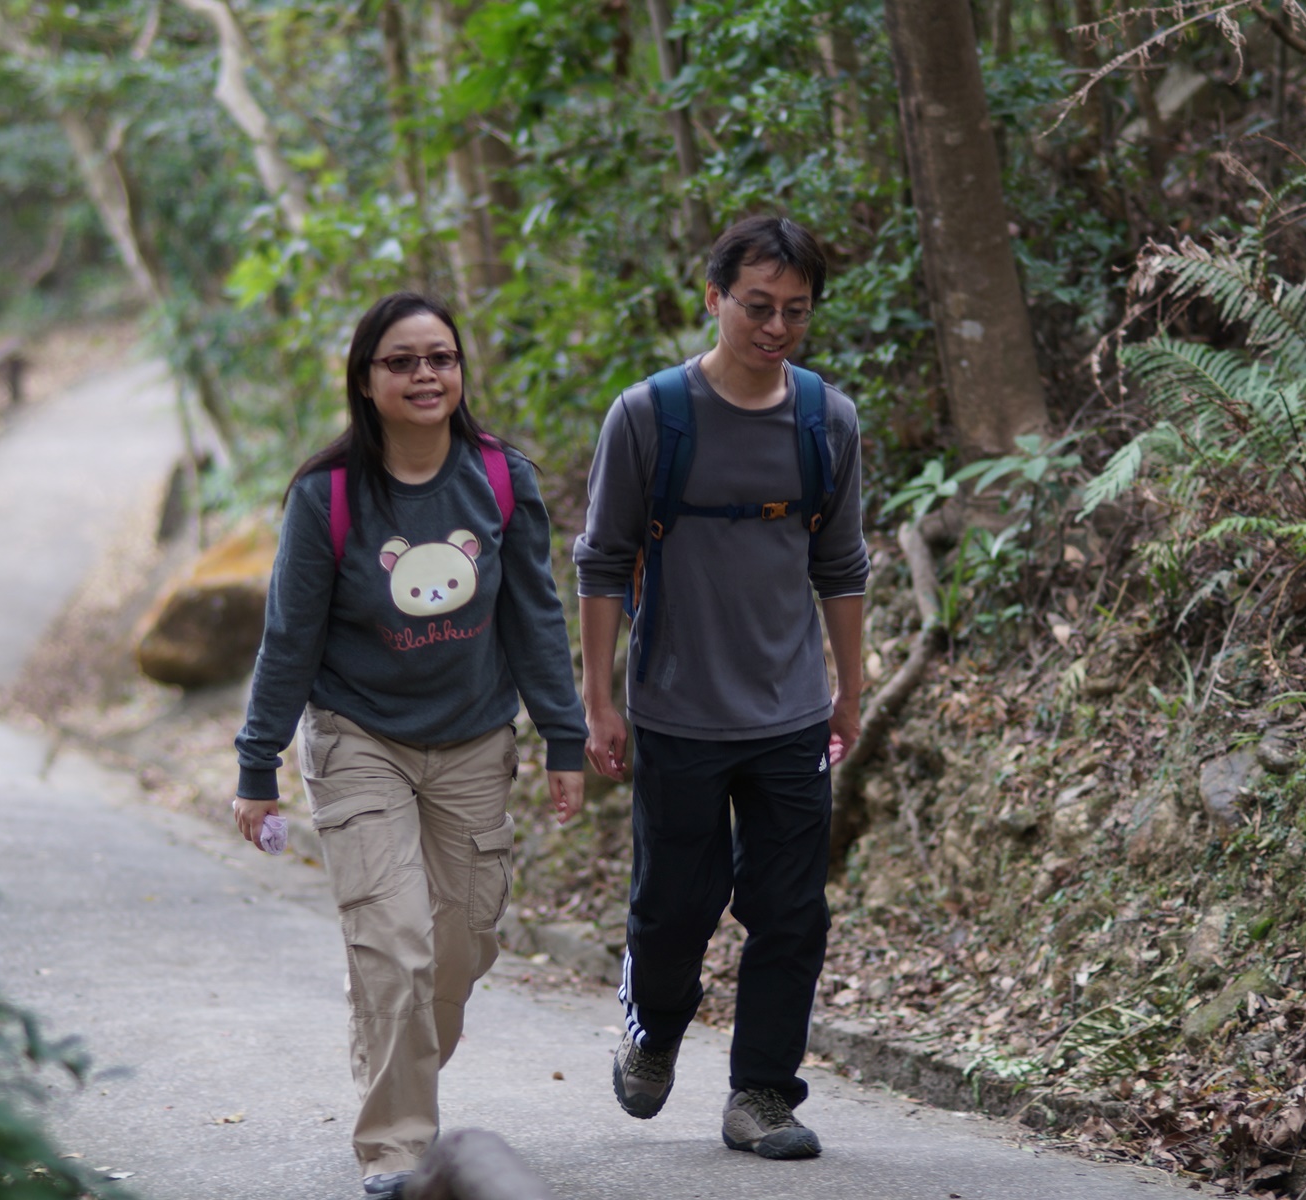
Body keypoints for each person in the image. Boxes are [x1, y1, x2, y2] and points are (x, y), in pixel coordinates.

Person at [232, 292, 587, 1200]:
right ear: (366, 380)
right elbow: (289, 637)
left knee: (460, 946)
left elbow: (536, 616)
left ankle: (391, 1053)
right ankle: (397, 1148)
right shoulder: (327, 497)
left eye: (441, 358)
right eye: (402, 361)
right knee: (395, 943)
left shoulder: (501, 478)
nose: (426, 375)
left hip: (473, 739)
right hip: (358, 737)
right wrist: (257, 764)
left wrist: (565, 737)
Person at [573, 215, 868, 1160]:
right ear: (714, 299)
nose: (777, 327)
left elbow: (842, 567)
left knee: (792, 911)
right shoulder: (649, 416)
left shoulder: (827, 421)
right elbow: (602, 564)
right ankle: (655, 1030)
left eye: (796, 310)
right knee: (675, 908)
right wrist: (599, 700)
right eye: (757, 306)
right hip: (677, 710)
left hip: (790, 710)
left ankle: (762, 1096)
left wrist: (851, 690)